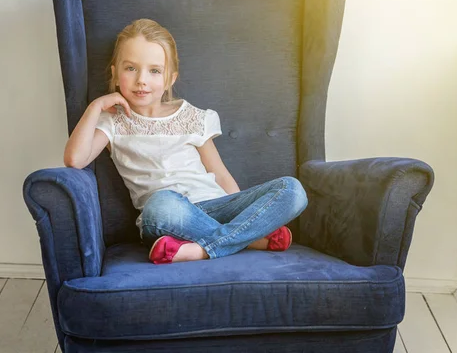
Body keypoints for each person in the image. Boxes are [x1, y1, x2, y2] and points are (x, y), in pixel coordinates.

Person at [63, 18, 308, 265]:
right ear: (115, 73)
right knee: (162, 203)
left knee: (293, 190)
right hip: (167, 215)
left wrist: (242, 210)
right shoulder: (113, 121)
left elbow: (220, 174)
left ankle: (201, 250)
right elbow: (75, 159)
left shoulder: (191, 116)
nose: (142, 80)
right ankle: (249, 240)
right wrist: (96, 106)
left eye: (155, 71)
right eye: (131, 68)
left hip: (216, 205)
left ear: (170, 79)